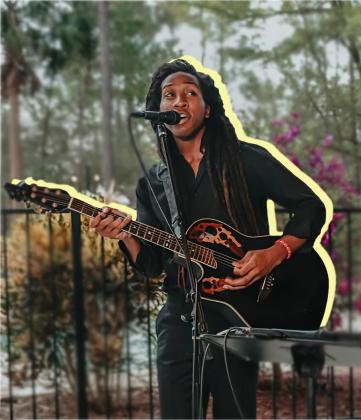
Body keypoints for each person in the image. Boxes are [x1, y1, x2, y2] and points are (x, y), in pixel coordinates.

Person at [90, 58, 328, 418]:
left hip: (239, 315)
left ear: (208, 109)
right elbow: (152, 264)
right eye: (169, 95)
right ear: (158, 112)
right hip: (179, 319)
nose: (179, 101)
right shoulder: (153, 183)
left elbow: (311, 206)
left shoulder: (245, 160)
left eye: (190, 93)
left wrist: (276, 252)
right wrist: (124, 234)